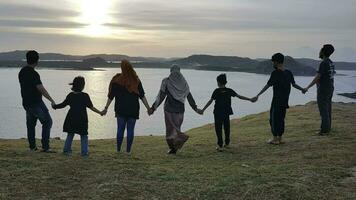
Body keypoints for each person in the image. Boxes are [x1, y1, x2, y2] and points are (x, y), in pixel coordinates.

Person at [252, 53, 305, 145]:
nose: (273, 63)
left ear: (276, 62)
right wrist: (302, 89)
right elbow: (294, 84)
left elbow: (268, 85)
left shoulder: (275, 73)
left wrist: (258, 95)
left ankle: (275, 139)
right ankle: (280, 138)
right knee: (281, 119)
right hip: (285, 100)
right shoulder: (288, 72)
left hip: (277, 100)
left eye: (273, 61)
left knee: (273, 119)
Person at [149, 65, 201, 154]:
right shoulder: (184, 83)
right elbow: (189, 96)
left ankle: (173, 148)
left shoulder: (166, 81)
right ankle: (175, 146)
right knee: (176, 129)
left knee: (170, 130)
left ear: (171, 71)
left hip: (169, 110)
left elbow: (161, 96)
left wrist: (153, 108)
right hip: (180, 111)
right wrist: (195, 108)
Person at [102, 60, 151, 155]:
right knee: (130, 130)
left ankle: (118, 150)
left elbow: (111, 96)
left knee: (120, 129)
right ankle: (128, 151)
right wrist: (148, 108)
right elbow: (142, 96)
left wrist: (106, 108)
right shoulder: (136, 80)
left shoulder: (116, 80)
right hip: (133, 109)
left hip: (120, 109)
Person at [200, 74, 255, 151]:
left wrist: (203, 110)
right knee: (227, 127)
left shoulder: (216, 91)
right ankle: (227, 144)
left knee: (218, 128)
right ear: (226, 82)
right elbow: (239, 96)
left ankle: (220, 146)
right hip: (226, 111)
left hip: (218, 112)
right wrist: (249, 99)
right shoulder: (229, 90)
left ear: (218, 82)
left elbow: (210, 101)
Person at [52, 76, 103, 156]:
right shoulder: (85, 96)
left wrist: (54, 106)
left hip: (71, 118)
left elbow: (63, 105)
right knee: (84, 135)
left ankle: (66, 150)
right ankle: (84, 152)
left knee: (70, 134)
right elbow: (91, 107)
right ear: (82, 86)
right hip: (82, 118)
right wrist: (100, 112)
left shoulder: (70, 95)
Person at [18, 50, 56, 152]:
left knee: (31, 125)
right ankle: (45, 147)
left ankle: (32, 147)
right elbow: (41, 88)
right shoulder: (34, 74)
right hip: (36, 103)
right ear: (37, 61)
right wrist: (51, 100)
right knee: (47, 122)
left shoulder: (22, 71)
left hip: (26, 103)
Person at [303, 44, 335, 135]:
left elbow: (318, 77)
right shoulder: (330, 62)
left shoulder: (323, 63)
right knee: (328, 109)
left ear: (323, 52)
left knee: (323, 110)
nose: (319, 51)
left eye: (321, 49)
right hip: (330, 88)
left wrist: (307, 87)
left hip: (323, 89)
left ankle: (324, 130)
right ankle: (327, 128)